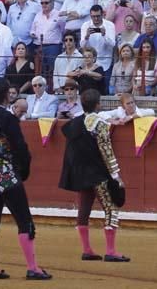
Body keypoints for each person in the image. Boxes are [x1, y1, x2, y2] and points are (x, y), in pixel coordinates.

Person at [0, 78, 51, 280]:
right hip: (6, 175)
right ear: (7, 95)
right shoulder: (8, 118)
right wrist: (22, 171)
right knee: (24, 221)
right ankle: (32, 268)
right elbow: (21, 149)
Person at [59, 87, 130, 264]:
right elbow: (107, 151)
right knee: (111, 209)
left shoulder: (73, 124)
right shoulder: (100, 124)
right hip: (98, 174)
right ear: (98, 104)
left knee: (84, 210)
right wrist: (115, 174)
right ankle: (111, 251)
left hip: (81, 174)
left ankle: (87, 250)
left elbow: (71, 153)